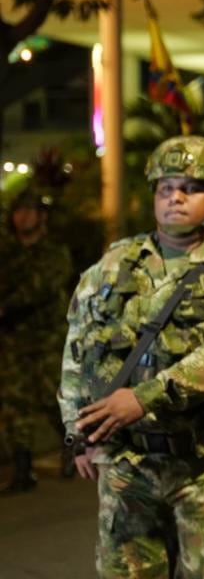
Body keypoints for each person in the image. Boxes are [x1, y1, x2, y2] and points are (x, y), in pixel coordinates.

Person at [58, 135, 204, 578]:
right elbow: (79, 349)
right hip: (130, 466)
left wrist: (144, 397)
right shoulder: (115, 265)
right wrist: (78, 429)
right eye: (165, 187)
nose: (175, 196)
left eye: (191, 187)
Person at [0, 187, 74, 493]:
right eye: (19, 211)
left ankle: (73, 448)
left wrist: (6, 305)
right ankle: (22, 467)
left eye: (29, 211)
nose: (23, 217)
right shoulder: (8, 253)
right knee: (15, 403)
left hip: (47, 338)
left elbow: (42, 287)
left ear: (42, 217)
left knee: (51, 398)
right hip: (14, 340)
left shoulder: (54, 252)